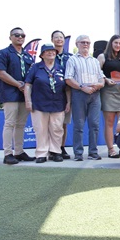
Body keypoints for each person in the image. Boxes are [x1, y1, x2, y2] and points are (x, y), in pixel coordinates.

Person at [0, 27, 35, 164]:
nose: (20, 37)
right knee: (10, 123)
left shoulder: (28, 56)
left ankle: (19, 152)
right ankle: (8, 154)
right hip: (10, 93)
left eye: (23, 35)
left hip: (25, 94)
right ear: (10, 37)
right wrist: (18, 84)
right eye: (17, 35)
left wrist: (27, 87)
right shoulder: (3, 53)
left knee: (21, 124)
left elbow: (32, 74)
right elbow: (2, 73)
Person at [24, 43, 69, 163]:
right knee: (41, 129)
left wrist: (69, 102)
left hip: (58, 103)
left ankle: (55, 152)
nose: (51, 53)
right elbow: (28, 85)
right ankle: (41, 153)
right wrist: (28, 101)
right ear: (42, 55)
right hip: (39, 103)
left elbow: (67, 88)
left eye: (53, 51)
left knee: (57, 129)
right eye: (48, 51)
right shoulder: (35, 68)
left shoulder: (61, 68)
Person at [64, 35, 105, 161]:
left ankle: (93, 152)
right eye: (83, 42)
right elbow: (68, 79)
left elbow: (101, 78)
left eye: (87, 42)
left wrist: (100, 84)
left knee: (94, 124)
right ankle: (78, 153)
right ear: (77, 44)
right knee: (79, 125)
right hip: (79, 93)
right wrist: (82, 87)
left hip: (95, 94)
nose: (85, 44)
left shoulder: (94, 61)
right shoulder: (72, 60)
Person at [97, 35, 120, 158]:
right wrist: (105, 80)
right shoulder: (102, 56)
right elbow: (97, 72)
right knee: (109, 122)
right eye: (116, 43)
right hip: (108, 92)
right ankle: (111, 149)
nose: (118, 45)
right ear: (111, 43)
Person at [52, 30, 72, 159]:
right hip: (51, 93)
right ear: (52, 40)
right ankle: (52, 148)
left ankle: (61, 147)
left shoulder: (70, 57)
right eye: (56, 37)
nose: (59, 39)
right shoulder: (48, 54)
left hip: (67, 93)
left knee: (63, 123)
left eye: (61, 37)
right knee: (52, 124)